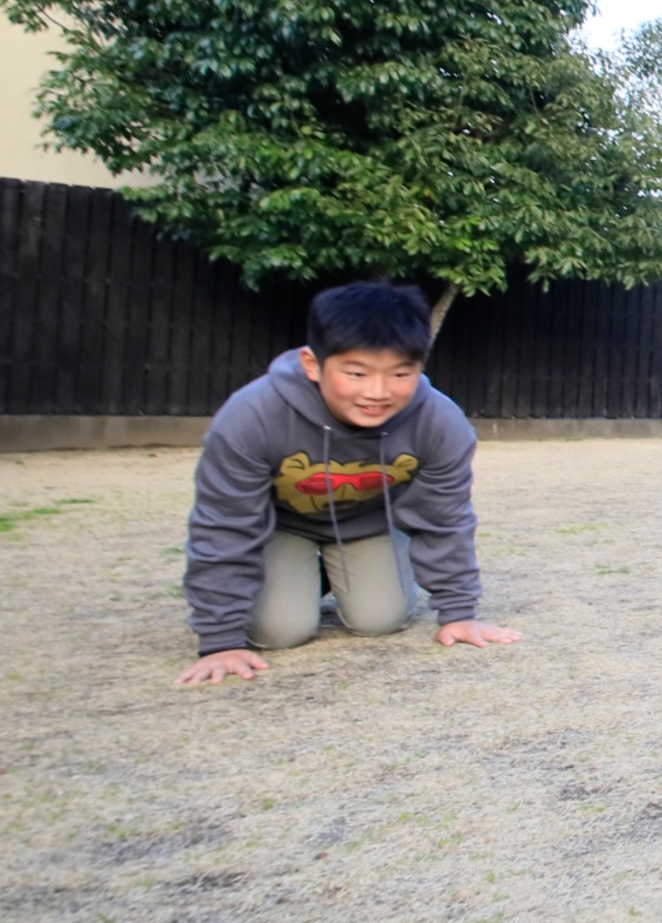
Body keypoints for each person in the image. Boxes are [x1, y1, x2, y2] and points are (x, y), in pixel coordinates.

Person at [178, 282, 520, 686]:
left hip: (369, 523)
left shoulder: (440, 423)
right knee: (278, 632)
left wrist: (459, 612)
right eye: (356, 373)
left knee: (380, 619)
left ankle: (358, 566)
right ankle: (304, 573)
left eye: (400, 374)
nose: (377, 392)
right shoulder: (251, 416)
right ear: (312, 364)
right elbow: (224, 525)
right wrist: (219, 641)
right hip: (280, 527)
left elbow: (444, 518)